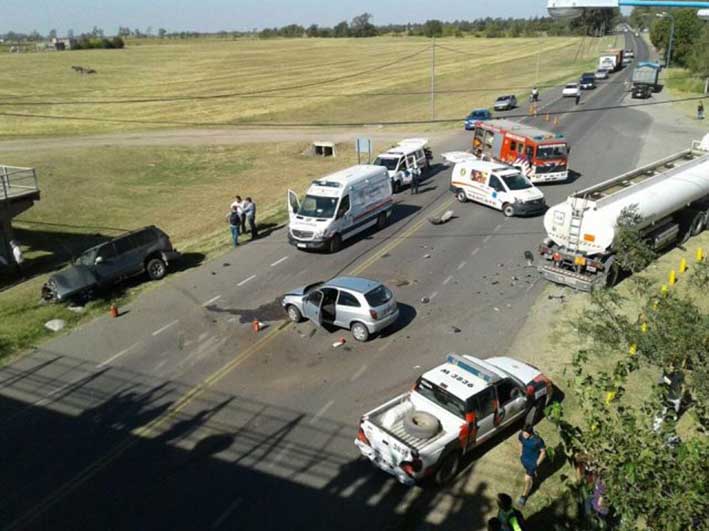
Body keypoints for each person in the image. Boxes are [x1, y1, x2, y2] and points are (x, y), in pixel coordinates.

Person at [517, 424, 546, 507]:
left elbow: (543, 452)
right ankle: (533, 477)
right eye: (523, 433)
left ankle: (524, 496)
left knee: (527, 479)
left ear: (531, 433)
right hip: (524, 460)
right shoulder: (521, 435)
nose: (523, 435)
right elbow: (520, 442)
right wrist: (520, 453)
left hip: (532, 463)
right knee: (531, 476)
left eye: (526, 434)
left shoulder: (538, 440)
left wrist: (536, 464)